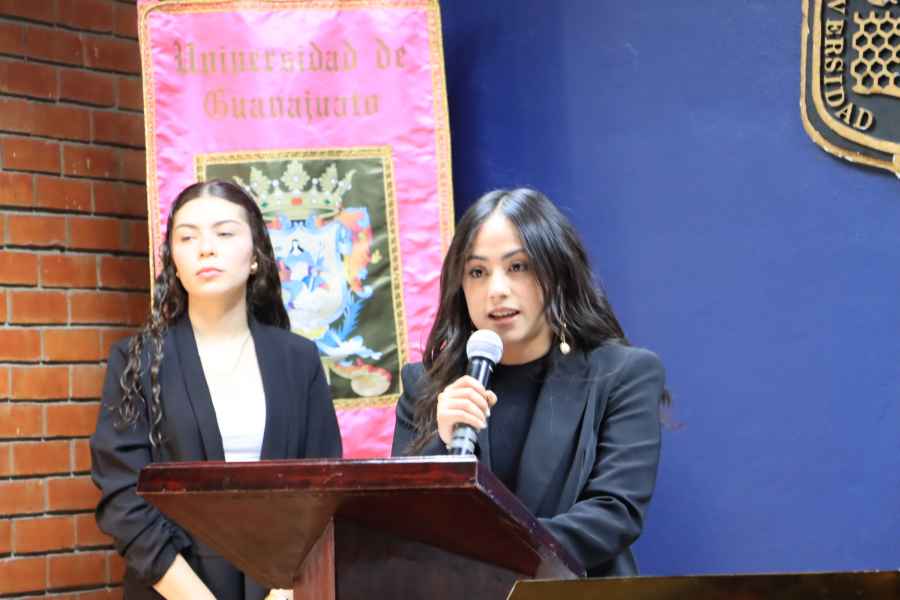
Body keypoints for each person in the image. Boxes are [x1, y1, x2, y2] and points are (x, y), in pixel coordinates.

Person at [392, 188, 667, 577]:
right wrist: (440, 441)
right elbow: (403, 523)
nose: (497, 290)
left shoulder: (623, 374)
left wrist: (496, 552)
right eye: (477, 272)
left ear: (556, 272)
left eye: (518, 266)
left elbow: (614, 513)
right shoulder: (426, 386)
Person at [91, 180, 342, 600]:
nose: (206, 249)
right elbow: (123, 498)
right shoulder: (136, 360)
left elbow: (324, 491)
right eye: (188, 237)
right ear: (173, 260)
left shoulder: (298, 360)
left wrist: (286, 589)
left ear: (256, 256)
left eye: (224, 233)